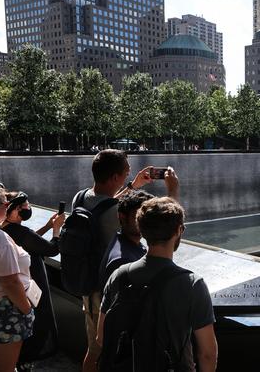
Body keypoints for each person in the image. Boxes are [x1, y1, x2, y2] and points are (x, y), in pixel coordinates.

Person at [97, 197, 218, 371]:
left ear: (142, 229)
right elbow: (207, 353)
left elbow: (101, 337)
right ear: (179, 230)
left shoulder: (119, 275)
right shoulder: (192, 284)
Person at [74, 149, 158, 372]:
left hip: (87, 284)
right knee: (101, 350)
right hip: (104, 291)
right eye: (126, 173)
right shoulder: (114, 215)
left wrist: (132, 186)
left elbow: (109, 203)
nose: (128, 176)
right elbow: (117, 210)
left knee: (93, 347)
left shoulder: (81, 196)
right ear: (114, 178)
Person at [0, 191, 65, 371]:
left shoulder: (4, 228)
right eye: (23, 207)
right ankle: (26, 362)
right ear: (12, 210)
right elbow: (52, 250)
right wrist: (57, 229)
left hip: (21, 286)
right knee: (40, 323)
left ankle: (20, 361)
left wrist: (46, 226)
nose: (27, 209)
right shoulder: (20, 232)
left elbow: (30, 239)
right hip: (32, 284)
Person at [98, 165, 179, 293]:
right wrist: (173, 192)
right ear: (122, 217)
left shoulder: (126, 244)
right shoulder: (123, 261)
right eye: (138, 216)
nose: (145, 220)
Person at [0, 184, 34, 372]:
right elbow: (10, 282)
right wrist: (27, 310)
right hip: (3, 310)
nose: (7, 206)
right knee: (5, 369)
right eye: (5, 203)